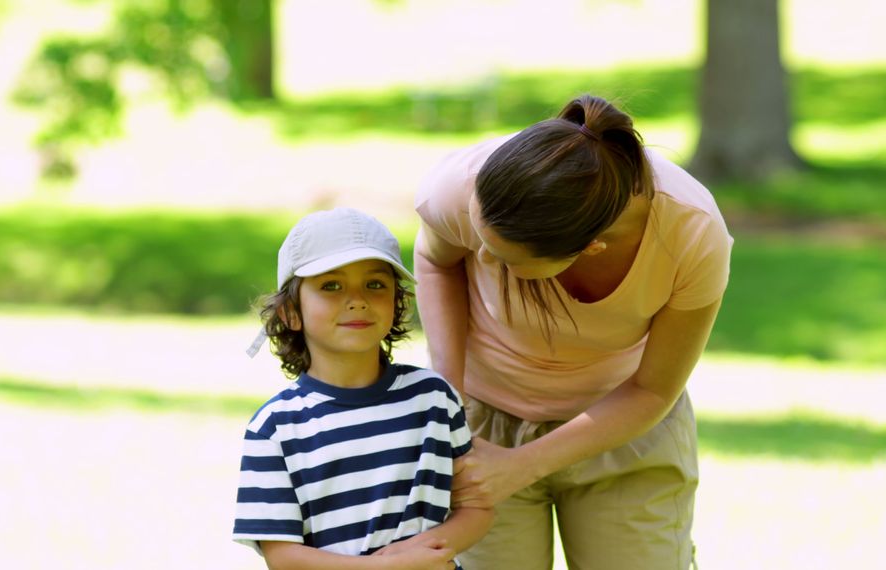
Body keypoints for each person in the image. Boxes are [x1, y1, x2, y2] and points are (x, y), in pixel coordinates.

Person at [413, 94, 733, 569]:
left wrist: (522, 465)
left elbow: (652, 388)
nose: (480, 259)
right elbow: (437, 263)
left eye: (505, 258)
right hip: (483, 425)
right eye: (480, 239)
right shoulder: (461, 184)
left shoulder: (691, 233)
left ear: (591, 247)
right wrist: (449, 397)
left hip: (624, 428)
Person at [232, 207, 493, 570]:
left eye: (375, 284)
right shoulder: (275, 427)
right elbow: (283, 555)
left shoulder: (434, 397)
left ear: (396, 303)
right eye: (331, 286)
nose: (357, 299)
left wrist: (426, 549)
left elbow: (476, 507)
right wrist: (390, 567)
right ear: (291, 313)